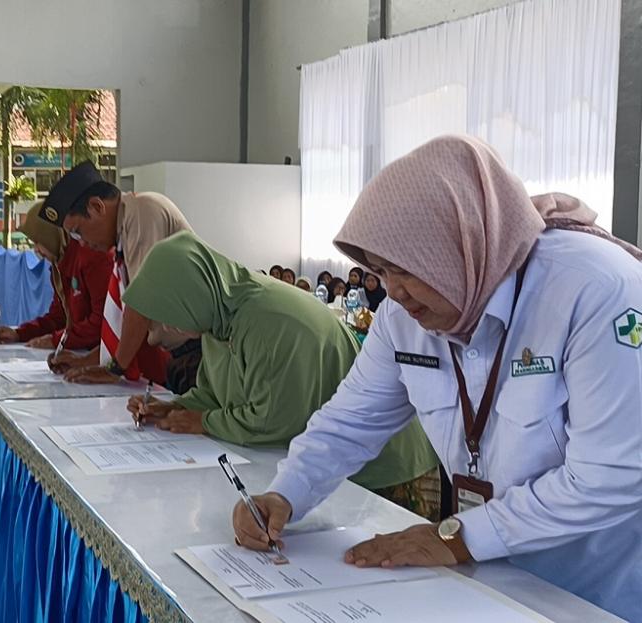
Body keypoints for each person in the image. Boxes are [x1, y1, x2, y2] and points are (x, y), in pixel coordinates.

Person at [232, 135, 642, 621]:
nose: (395, 292)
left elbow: (611, 477)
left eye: (407, 269)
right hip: (493, 581)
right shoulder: (408, 315)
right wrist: (285, 494)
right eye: (381, 271)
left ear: (461, 242)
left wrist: (459, 535)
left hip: (599, 595)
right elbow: (351, 419)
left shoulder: (597, 291)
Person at [124, 233, 438, 503]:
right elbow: (214, 395)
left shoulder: (270, 320)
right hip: (332, 465)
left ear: (188, 297)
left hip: (383, 471)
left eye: (166, 313)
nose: (159, 331)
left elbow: (274, 421)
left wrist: (201, 421)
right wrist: (172, 409)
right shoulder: (218, 323)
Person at [38, 160, 193, 386]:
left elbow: (141, 303)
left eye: (78, 232)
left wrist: (113, 370)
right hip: (178, 355)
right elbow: (123, 320)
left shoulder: (142, 212)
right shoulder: (123, 236)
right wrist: (89, 361)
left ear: (97, 207)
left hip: (197, 353)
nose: (83, 244)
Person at [0, 201, 113, 351]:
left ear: (50, 235)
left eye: (38, 242)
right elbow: (58, 317)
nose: (36, 250)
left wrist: (58, 341)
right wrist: (19, 333)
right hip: (82, 352)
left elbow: (103, 321)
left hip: (103, 355)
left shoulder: (91, 257)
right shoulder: (59, 267)